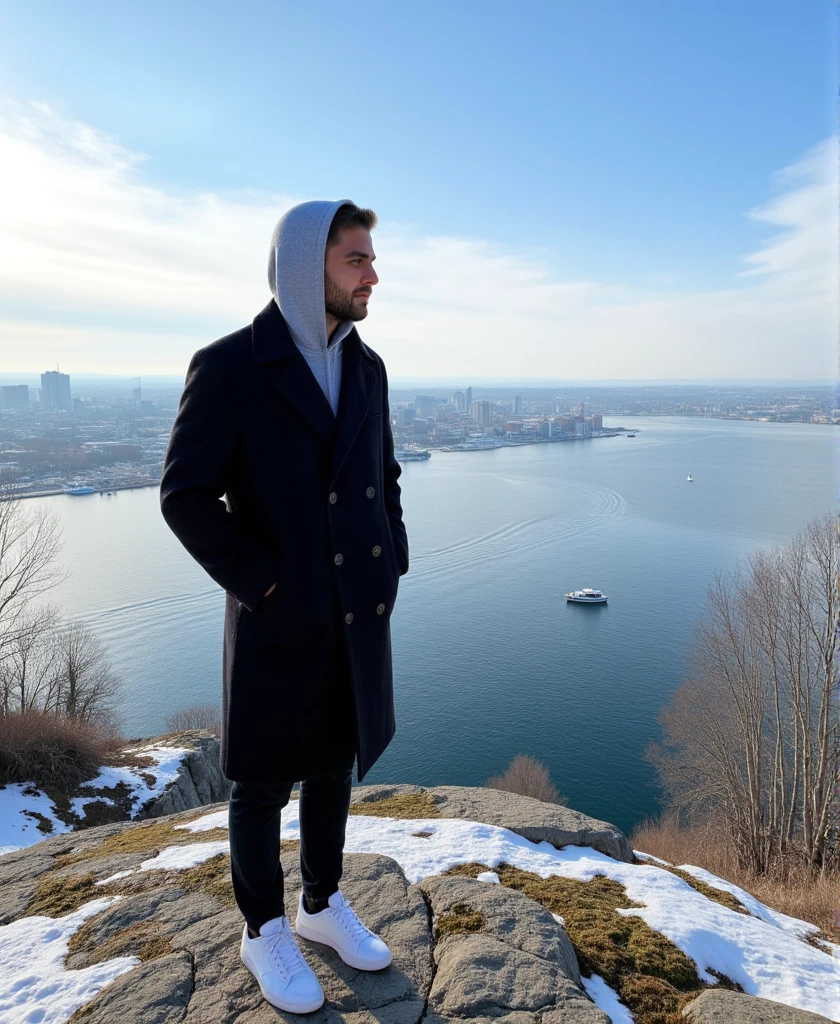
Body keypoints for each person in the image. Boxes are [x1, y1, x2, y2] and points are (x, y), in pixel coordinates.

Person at [159, 200, 409, 1013]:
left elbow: (386, 476)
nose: (373, 273)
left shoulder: (366, 367)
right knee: (262, 785)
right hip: (275, 616)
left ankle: (319, 905)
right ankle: (262, 927)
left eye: (371, 258)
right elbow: (185, 495)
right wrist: (259, 579)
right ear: (309, 269)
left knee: (334, 764)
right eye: (356, 259)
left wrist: (391, 559)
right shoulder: (231, 366)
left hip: (353, 615)